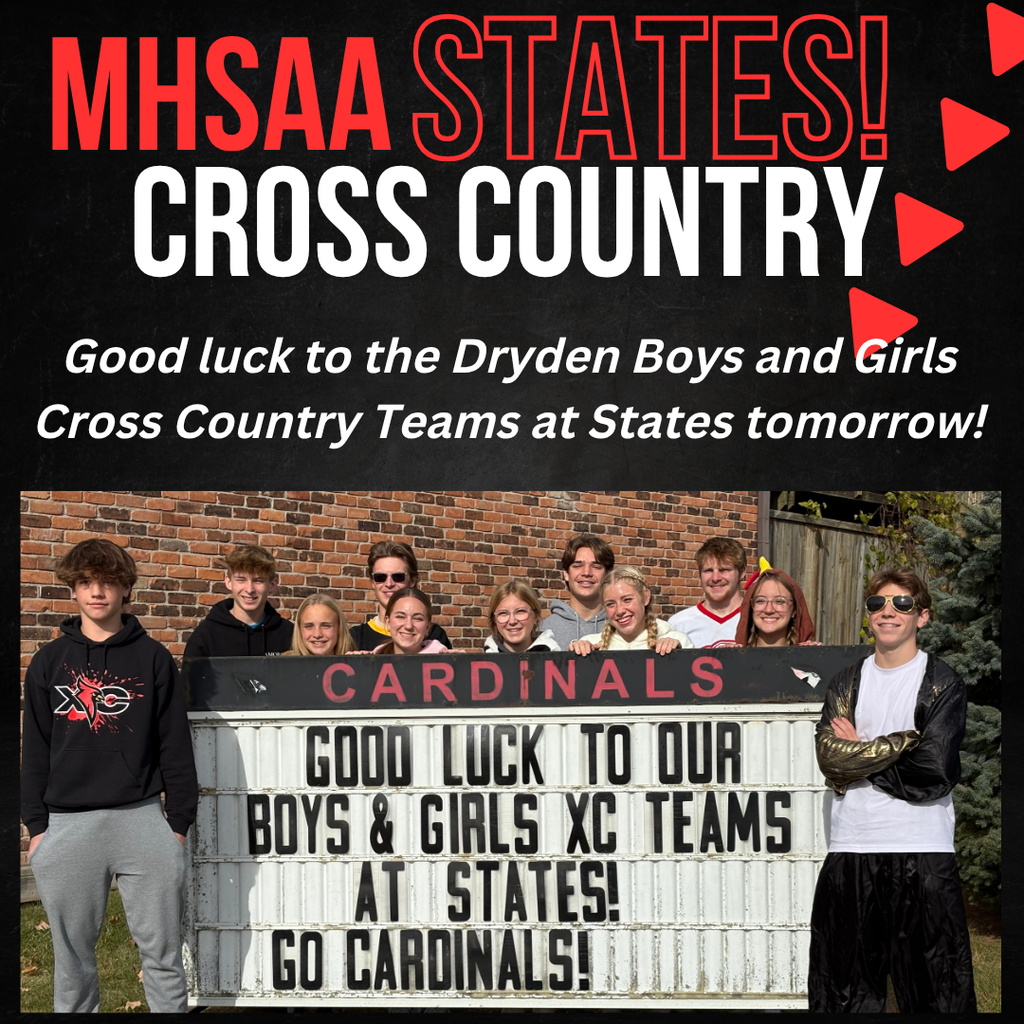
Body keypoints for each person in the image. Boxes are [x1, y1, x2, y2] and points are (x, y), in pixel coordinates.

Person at [21, 538, 198, 1013]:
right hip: (67, 826)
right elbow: (35, 749)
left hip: (142, 821)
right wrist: (38, 828)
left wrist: (177, 825)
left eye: (107, 582)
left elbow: (175, 745)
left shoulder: (154, 658)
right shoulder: (47, 663)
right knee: (72, 960)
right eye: (85, 582)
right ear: (73, 590)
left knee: (162, 957)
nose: (96, 592)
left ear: (125, 589)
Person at [808, 569, 976, 1012]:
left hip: (922, 850)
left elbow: (933, 771)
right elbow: (829, 759)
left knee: (936, 993)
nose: (888, 612)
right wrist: (901, 742)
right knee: (845, 992)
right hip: (851, 848)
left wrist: (858, 752)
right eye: (878, 604)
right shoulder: (846, 682)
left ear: (922, 617)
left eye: (902, 604)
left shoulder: (943, 682)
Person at [183, 543, 293, 657]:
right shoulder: (206, 636)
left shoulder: (289, 635)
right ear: (229, 582)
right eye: (241, 580)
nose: (249, 589)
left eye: (258, 580)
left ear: (272, 584)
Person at [568, 566, 695, 655]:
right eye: (611, 604)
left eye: (627, 600)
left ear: (645, 597)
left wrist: (679, 653)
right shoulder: (592, 644)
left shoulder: (676, 641)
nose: (619, 611)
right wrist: (576, 653)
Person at [350, 540, 451, 651]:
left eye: (398, 577)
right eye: (380, 577)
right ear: (373, 582)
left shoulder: (433, 635)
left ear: (412, 580)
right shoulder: (356, 637)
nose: (389, 584)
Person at [667, 537, 746, 647]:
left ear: (742, 573)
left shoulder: (759, 619)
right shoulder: (678, 624)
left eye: (724, 570)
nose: (715, 578)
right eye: (708, 570)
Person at [545, 533, 615, 648]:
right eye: (577, 566)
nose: (586, 572)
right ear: (566, 574)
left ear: (607, 575)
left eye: (596, 566)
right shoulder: (545, 630)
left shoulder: (621, 626)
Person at [733, 565, 819, 647]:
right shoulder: (734, 658)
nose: (769, 610)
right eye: (760, 601)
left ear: (794, 610)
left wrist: (812, 657)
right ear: (751, 607)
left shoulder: (809, 657)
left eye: (779, 601)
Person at [484, 580, 560, 653]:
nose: (512, 621)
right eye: (503, 613)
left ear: (535, 616)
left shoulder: (558, 659)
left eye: (520, 611)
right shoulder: (482, 662)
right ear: (494, 619)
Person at [373, 588, 452, 655]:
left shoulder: (441, 659)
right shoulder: (376, 657)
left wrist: (460, 664)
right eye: (400, 617)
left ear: (428, 627)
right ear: (388, 622)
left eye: (417, 618)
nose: (408, 626)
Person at [285, 593, 355, 656]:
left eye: (326, 626)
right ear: (299, 629)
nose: (317, 634)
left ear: (339, 628)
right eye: (309, 626)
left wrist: (360, 664)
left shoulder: (355, 663)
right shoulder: (283, 666)